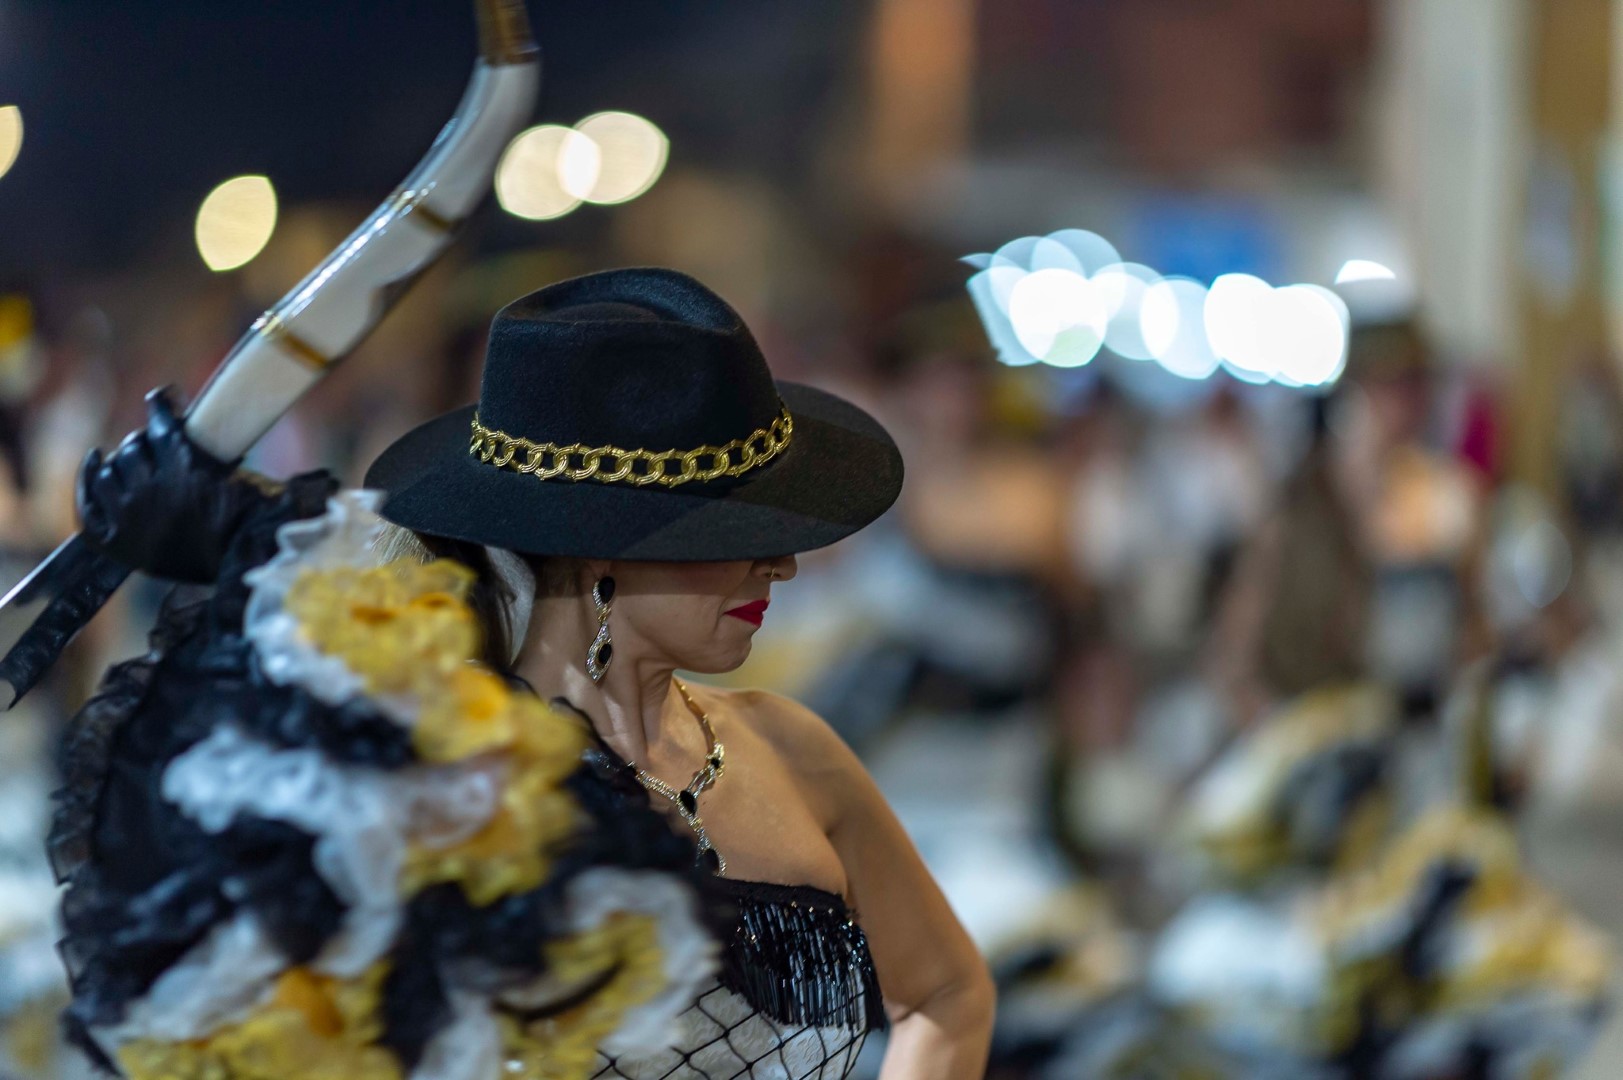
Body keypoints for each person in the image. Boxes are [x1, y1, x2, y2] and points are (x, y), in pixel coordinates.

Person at [66, 268, 994, 1080]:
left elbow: (947, 994)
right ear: (600, 545)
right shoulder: (428, 777)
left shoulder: (793, 752)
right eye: (737, 531)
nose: (781, 565)